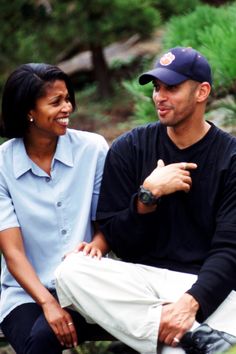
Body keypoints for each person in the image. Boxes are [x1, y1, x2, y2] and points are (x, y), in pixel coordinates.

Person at [55, 47, 236, 354]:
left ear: (202, 92)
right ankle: (192, 333)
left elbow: (229, 251)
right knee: (71, 271)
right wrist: (146, 197)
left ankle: (179, 332)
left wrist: (189, 305)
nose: (159, 96)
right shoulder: (130, 148)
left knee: (177, 350)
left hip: (208, 289)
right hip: (141, 286)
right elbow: (118, 242)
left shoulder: (230, 158)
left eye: (172, 88)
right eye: (156, 88)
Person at [0, 63, 109, 354]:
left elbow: (106, 225)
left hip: (85, 287)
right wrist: (48, 304)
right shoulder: (2, 164)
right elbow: (12, 252)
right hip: (24, 294)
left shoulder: (93, 149)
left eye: (68, 98)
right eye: (56, 102)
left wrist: (95, 247)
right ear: (28, 111)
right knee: (40, 338)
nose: (68, 108)